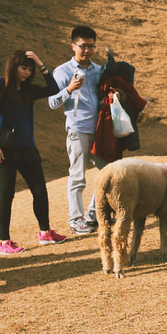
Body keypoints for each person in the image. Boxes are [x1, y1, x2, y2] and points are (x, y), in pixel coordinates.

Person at [0, 50, 69, 255]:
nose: (26, 72)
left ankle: (45, 233)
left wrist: (41, 64)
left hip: (28, 148)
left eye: (29, 69)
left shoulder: (29, 90)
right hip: (4, 148)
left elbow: (53, 88)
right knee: (6, 194)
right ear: (13, 67)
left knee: (40, 190)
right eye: (24, 68)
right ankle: (4, 242)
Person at [49, 26, 107, 235]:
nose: (87, 51)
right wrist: (69, 89)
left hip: (100, 130)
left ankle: (92, 215)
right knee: (77, 176)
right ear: (73, 46)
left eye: (91, 46)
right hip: (78, 129)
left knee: (107, 172)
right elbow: (52, 102)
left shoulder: (99, 70)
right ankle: (75, 220)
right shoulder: (62, 71)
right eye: (83, 46)